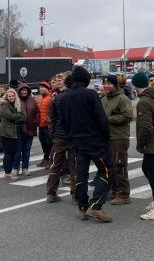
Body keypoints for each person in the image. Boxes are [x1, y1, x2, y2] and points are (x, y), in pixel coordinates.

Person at [60, 66, 113, 222]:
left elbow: (63, 123)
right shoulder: (90, 94)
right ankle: (96, 206)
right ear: (85, 80)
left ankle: (82, 207)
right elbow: (101, 118)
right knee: (107, 171)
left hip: (76, 142)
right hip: (95, 140)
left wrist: (71, 137)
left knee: (81, 174)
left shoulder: (64, 98)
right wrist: (106, 136)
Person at [131, 72, 154, 219]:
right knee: (147, 169)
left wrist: (143, 143)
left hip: (151, 142)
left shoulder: (144, 102)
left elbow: (145, 127)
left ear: (135, 85)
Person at [101, 74, 133, 205]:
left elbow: (128, 116)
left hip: (119, 137)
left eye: (109, 83)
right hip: (107, 137)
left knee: (119, 165)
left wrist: (110, 119)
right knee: (110, 166)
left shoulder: (122, 99)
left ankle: (124, 194)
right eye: (105, 83)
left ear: (115, 85)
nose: (106, 86)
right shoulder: (104, 99)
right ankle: (114, 190)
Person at [46, 74, 76, 203]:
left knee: (55, 165)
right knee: (74, 166)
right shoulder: (74, 97)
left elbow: (51, 118)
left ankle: (51, 193)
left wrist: (52, 134)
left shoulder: (56, 98)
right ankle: (75, 195)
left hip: (59, 136)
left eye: (61, 80)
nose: (59, 82)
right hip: (72, 136)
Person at [0, 88, 26, 180]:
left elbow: (25, 117)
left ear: (15, 96)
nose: (11, 97)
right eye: (9, 96)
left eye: (12, 96)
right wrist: (19, 116)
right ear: (7, 97)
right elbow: (8, 115)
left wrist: (16, 117)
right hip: (6, 133)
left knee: (14, 153)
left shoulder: (19, 104)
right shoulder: (4, 104)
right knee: (8, 153)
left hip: (16, 132)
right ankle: (7, 172)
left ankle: (9, 171)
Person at [15, 83, 39, 175]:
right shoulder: (16, 99)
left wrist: (36, 121)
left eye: (26, 90)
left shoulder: (32, 100)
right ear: (19, 91)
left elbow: (37, 111)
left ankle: (25, 168)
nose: (24, 91)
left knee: (27, 150)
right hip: (19, 129)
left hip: (30, 128)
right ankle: (16, 168)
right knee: (18, 150)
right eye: (22, 90)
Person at [37, 81, 53, 168]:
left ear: (47, 89)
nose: (40, 88)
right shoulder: (42, 98)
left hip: (47, 125)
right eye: (40, 87)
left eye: (43, 87)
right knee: (43, 143)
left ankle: (50, 160)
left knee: (49, 143)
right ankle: (46, 158)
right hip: (41, 125)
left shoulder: (49, 98)